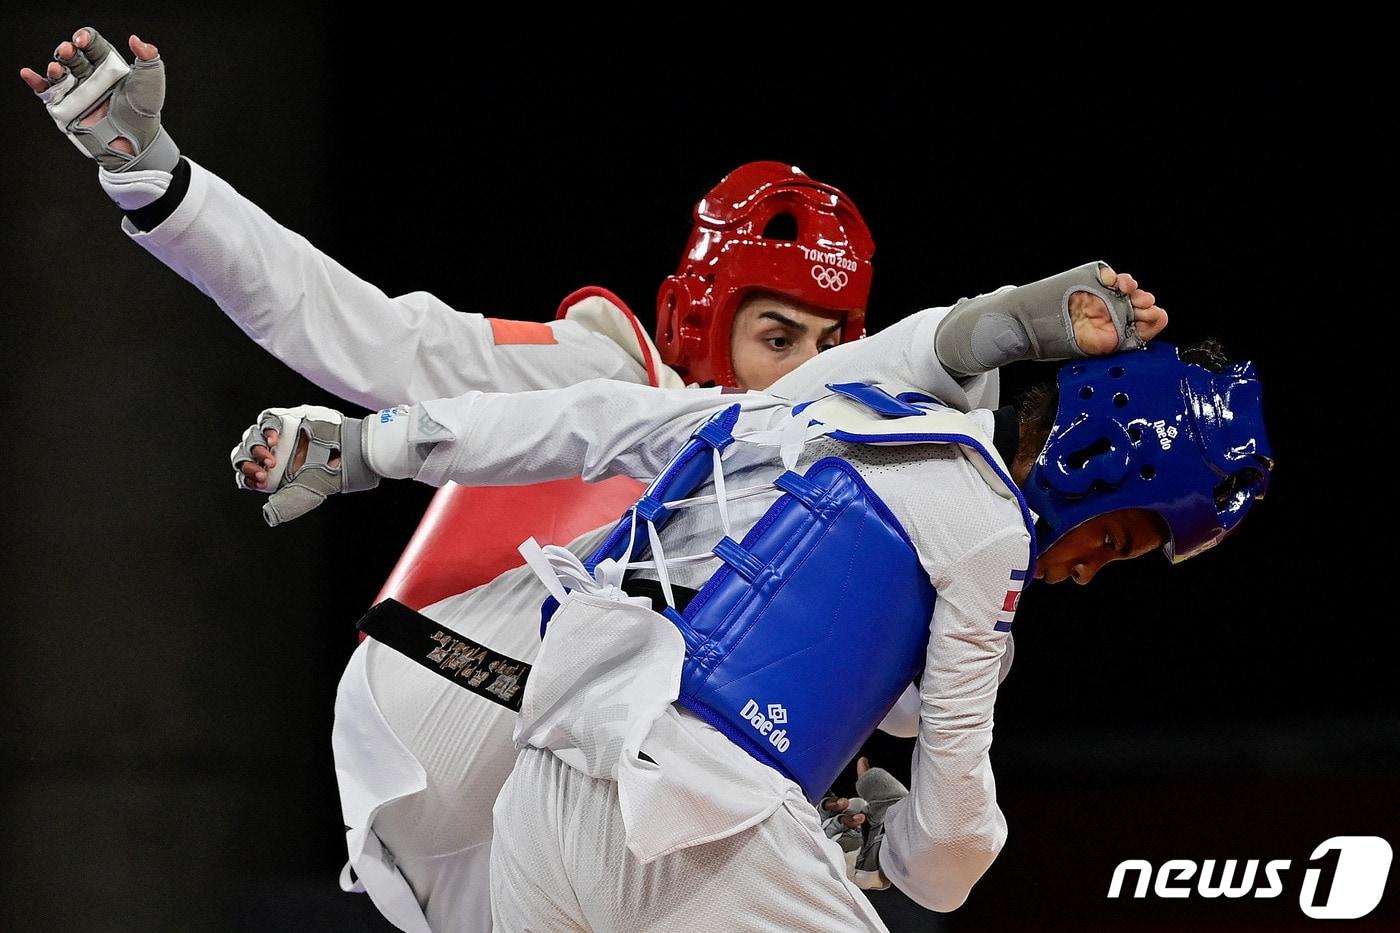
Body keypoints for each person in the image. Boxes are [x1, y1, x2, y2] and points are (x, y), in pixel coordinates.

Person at [22, 26, 1171, 932]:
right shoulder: (613, 366)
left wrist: (861, 803)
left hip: (519, 836)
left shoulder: (830, 481)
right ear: (698, 315)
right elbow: (362, 334)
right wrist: (162, 185)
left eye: (832, 343)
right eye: (779, 333)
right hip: (453, 692)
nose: (808, 370)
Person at [231, 339, 1273, 930]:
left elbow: (601, 420)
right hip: (697, 818)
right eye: (1126, 540)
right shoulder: (986, 525)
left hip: (537, 788)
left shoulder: (824, 407)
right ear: (1099, 461)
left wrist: (372, 444)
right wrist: (890, 842)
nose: (1094, 569)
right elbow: (954, 844)